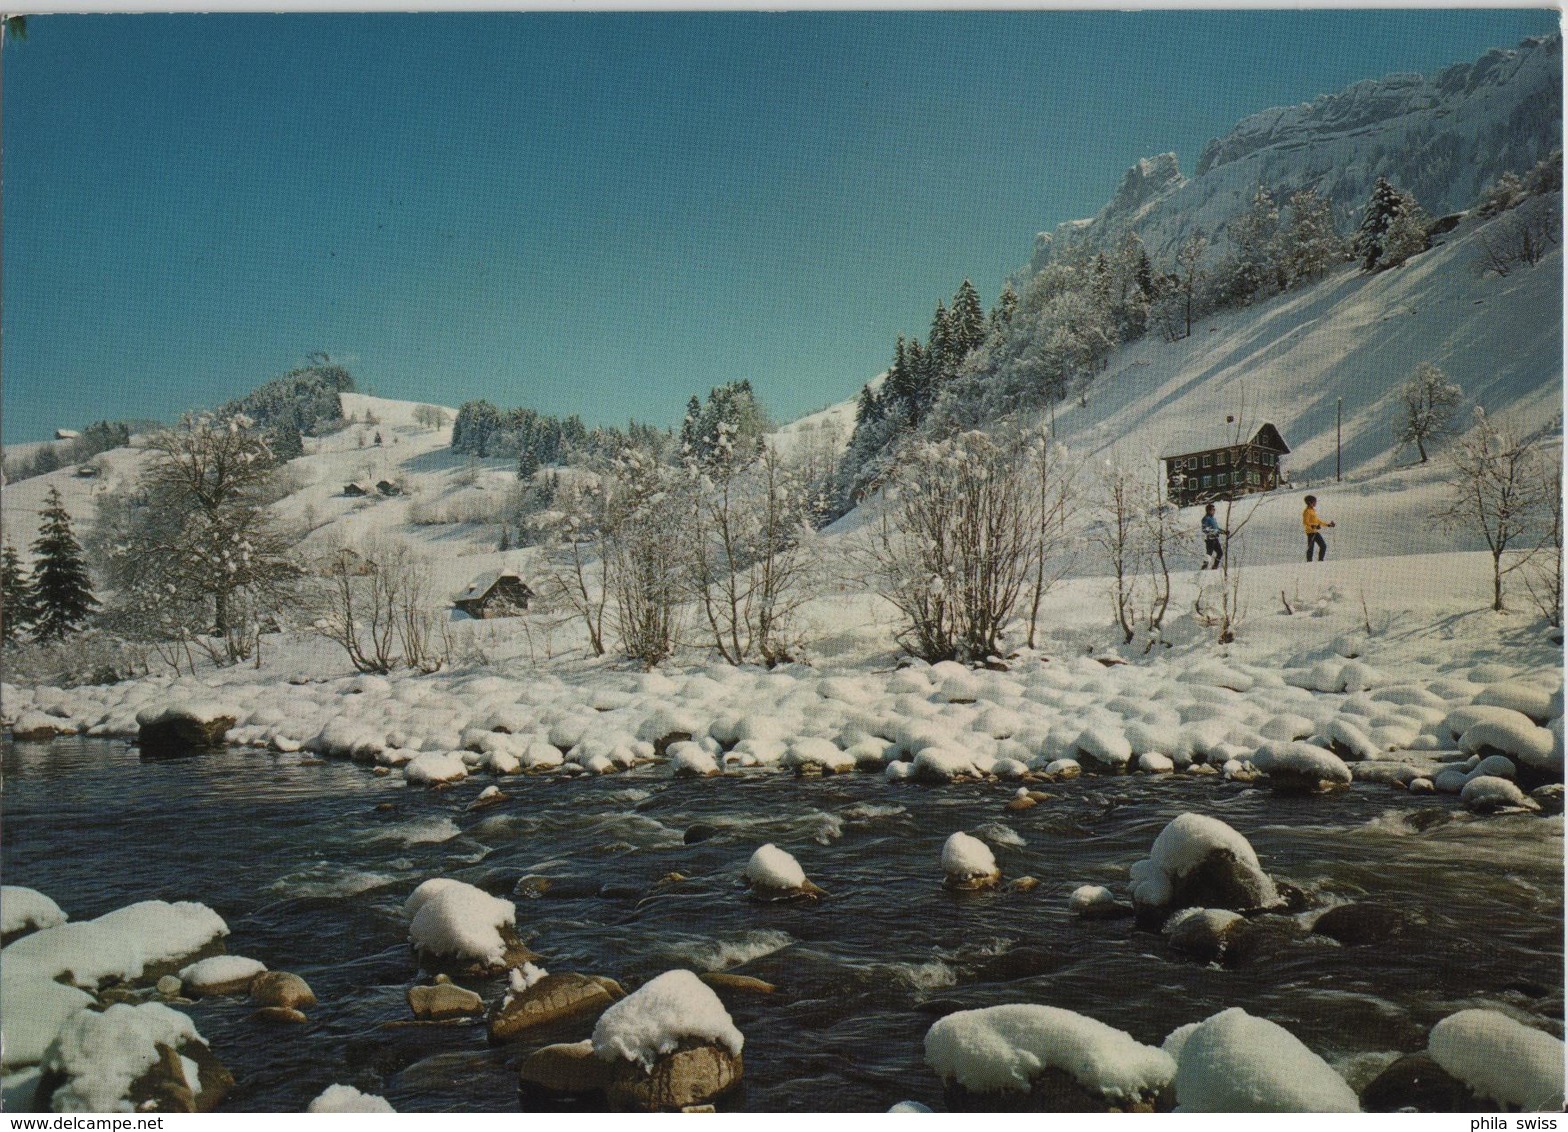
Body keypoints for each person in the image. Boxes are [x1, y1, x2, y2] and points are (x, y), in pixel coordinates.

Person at [1303, 494, 1335, 562]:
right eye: (1314, 502)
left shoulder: (1312, 510)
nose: (1315, 503)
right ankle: (1309, 563)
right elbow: (1305, 522)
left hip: (1315, 532)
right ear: (1310, 502)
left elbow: (1318, 521)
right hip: (1310, 533)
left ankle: (1320, 561)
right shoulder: (1307, 511)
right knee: (1310, 548)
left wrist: (1328, 525)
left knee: (1323, 546)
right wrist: (1314, 526)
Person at [1200, 503, 1225, 570]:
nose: (1214, 511)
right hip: (1210, 540)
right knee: (1209, 554)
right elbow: (1204, 529)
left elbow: (1217, 528)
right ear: (1208, 510)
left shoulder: (1213, 519)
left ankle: (1214, 567)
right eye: (1212, 510)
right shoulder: (1206, 519)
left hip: (1215, 539)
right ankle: (1204, 568)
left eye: (1214, 510)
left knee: (1220, 553)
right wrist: (1214, 532)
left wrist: (1224, 532)